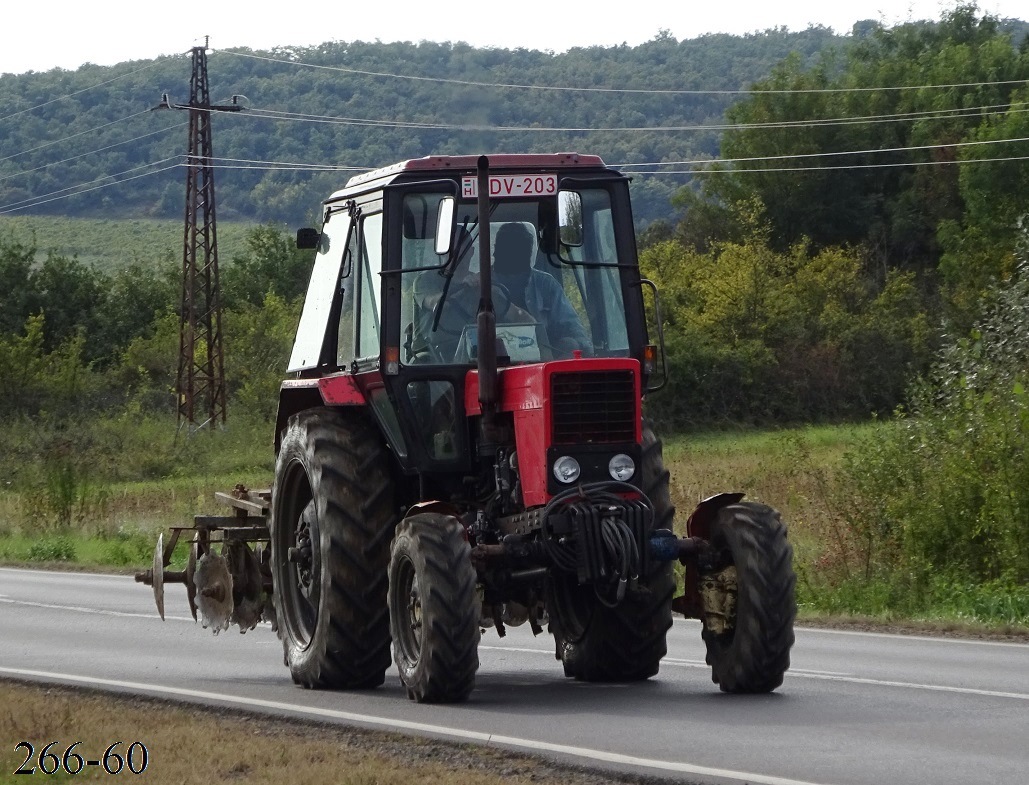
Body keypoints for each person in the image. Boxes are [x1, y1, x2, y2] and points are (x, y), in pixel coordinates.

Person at [491, 222, 593, 356]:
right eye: (508, 249)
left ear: (528, 254)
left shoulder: (545, 285)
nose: (513, 256)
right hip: (489, 362)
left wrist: (586, 350)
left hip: (542, 362)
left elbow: (571, 327)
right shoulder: (478, 286)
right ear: (496, 251)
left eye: (517, 250)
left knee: (570, 344)